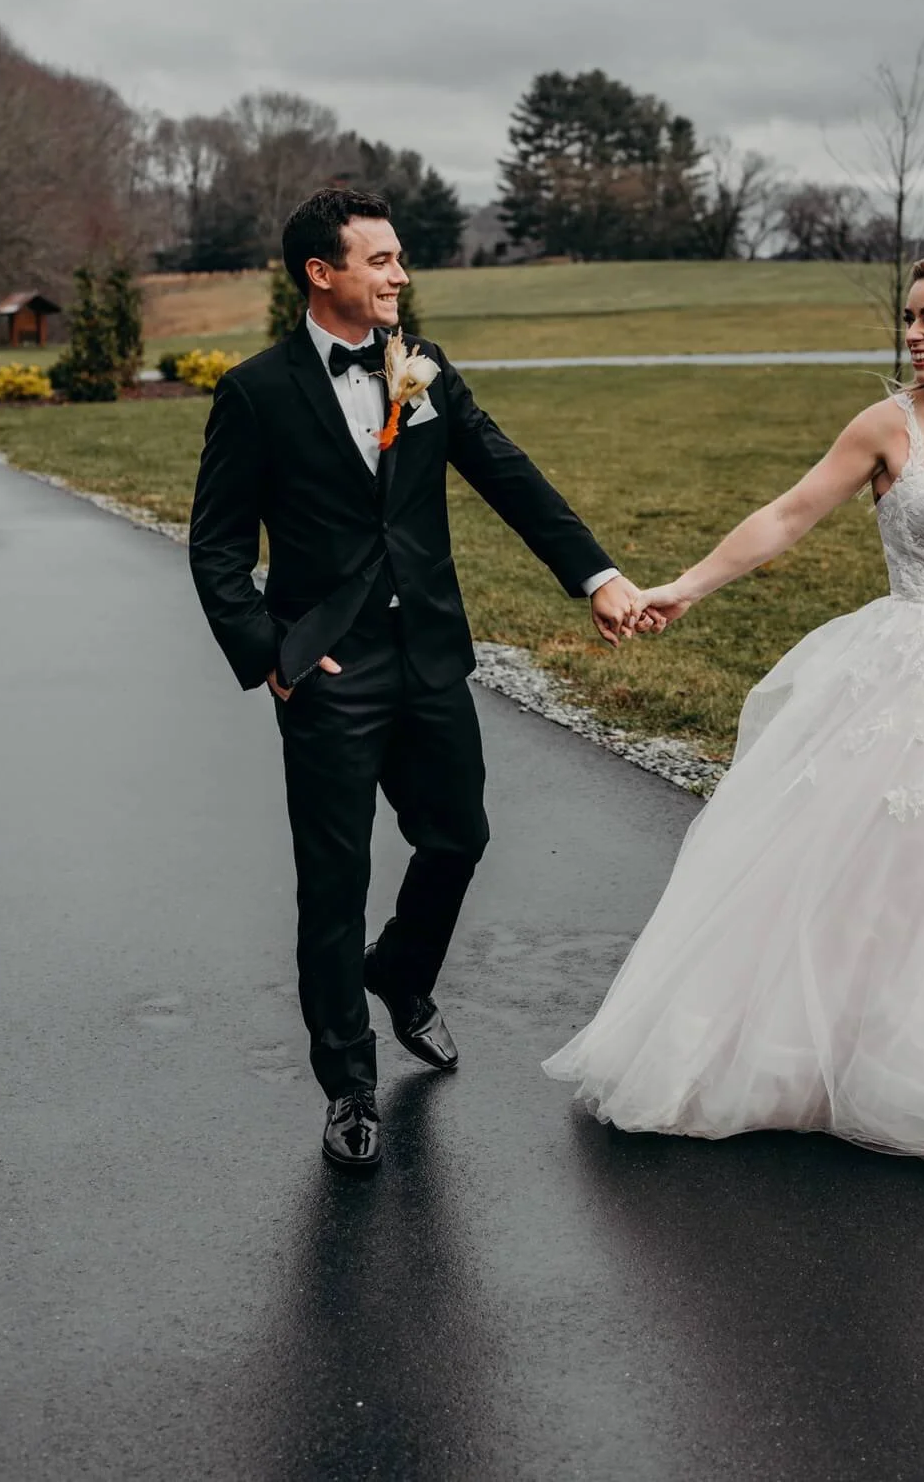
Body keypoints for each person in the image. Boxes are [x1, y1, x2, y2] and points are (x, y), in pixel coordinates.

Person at [543, 254, 924, 1189]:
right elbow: (787, 515)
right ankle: (806, 1056)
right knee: (870, 871)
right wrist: (684, 588)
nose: (912, 335)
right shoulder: (887, 425)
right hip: (903, 680)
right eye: (908, 318)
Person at [189, 187, 644, 1171]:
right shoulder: (256, 392)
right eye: (381, 259)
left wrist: (595, 575)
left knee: (459, 835)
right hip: (328, 669)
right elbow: (217, 546)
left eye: (399, 257)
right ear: (322, 272)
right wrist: (271, 653)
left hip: (430, 652)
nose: (400, 273)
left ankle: (400, 970)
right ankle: (349, 1084)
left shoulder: (424, 366)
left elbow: (506, 471)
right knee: (334, 882)